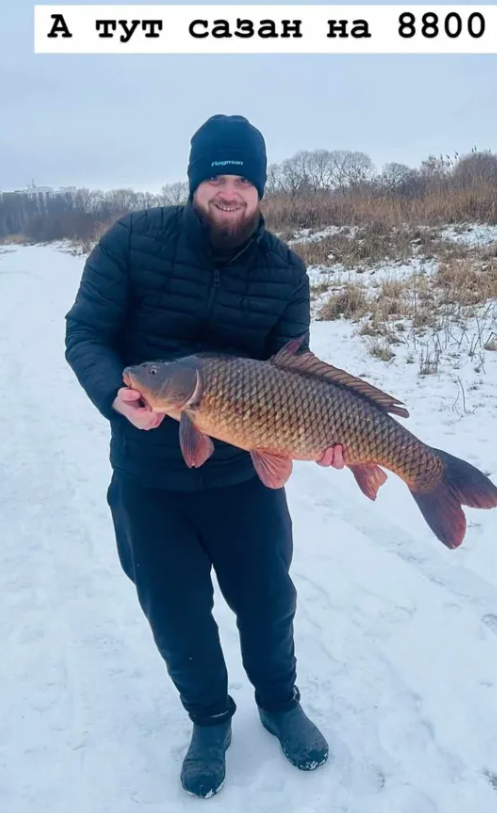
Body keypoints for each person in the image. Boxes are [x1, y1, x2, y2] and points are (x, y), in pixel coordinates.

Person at [64, 113, 345, 799]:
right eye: (216, 177)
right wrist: (115, 394)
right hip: (149, 479)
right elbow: (87, 333)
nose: (229, 191)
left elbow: (295, 371)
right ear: (195, 183)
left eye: (242, 180)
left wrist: (329, 436)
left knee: (268, 599)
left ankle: (279, 701)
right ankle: (210, 718)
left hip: (245, 475)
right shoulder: (133, 239)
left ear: (260, 190)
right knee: (175, 609)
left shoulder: (286, 271)